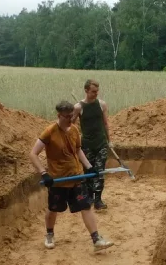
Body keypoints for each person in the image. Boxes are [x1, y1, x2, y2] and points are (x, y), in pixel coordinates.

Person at [29, 100, 115, 251]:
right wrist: (44, 173)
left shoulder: (74, 130)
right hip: (58, 180)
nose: (70, 119)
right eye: (67, 116)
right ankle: (49, 234)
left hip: (76, 176)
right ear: (59, 115)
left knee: (86, 206)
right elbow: (33, 154)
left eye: (72, 116)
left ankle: (96, 239)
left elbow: (78, 150)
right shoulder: (50, 132)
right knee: (53, 208)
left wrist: (89, 167)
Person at [72, 79, 112, 211]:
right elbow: (71, 125)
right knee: (89, 172)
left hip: (101, 143)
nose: (96, 94)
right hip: (87, 145)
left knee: (99, 172)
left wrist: (109, 140)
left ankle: (98, 200)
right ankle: (88, 197)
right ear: (86, 90)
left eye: (97, 91)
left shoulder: (102, 105)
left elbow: (105, 123)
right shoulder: (78, 107)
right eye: (93, 92)